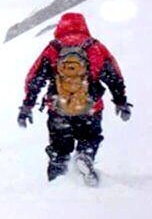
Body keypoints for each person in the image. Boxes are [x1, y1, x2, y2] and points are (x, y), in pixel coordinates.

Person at [17, 12, 132, 186]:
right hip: (90, 107)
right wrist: (121, 101)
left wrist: (27, 106)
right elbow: (114, 76)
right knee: (90, 138)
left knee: (59, 149)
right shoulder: (94, 47)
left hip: (58, 108)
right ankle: (85, 156)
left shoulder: (53, 48)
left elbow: (34, 78)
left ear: (60, 26)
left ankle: (57, 184)